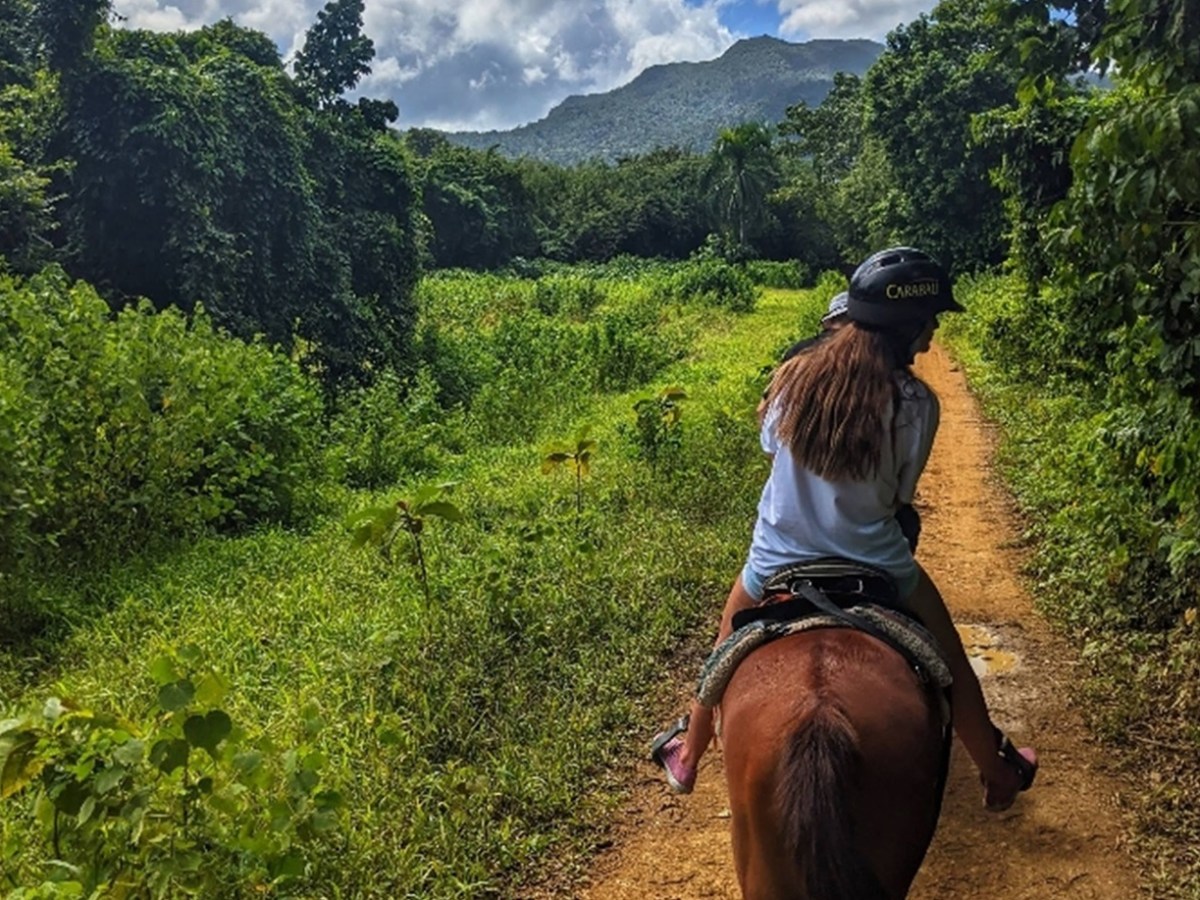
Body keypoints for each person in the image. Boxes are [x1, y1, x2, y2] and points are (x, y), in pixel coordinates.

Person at [650, 246, 1037, 811]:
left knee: (726, 643)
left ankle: (688, 753)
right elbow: (902, 497)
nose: (932, 334)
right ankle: (996, 771)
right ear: (904, 328)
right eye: (928, 322)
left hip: (775, 560)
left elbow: (770, 450)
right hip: (878, 563)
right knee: (949, 657)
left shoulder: (791, 379)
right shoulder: (915, 403)